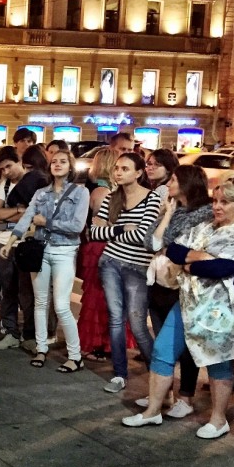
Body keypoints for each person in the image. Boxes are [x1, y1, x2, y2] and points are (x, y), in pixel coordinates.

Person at [123, 180, 234, 437]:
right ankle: (152, 411)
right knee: (162, 350)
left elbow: (220, 269)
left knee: (217, 362)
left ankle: (218, 420)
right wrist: (200, 256)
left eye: (224, 202)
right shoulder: (205, 228)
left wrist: (191, 262)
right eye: (215, 201)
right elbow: (173, 250)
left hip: (220, 310)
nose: (216, 206)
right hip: (188, 301)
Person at [0, 149, 89, 371]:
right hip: (40, 250)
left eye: (63, 162)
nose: (57, 165)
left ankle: (75, 355)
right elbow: (27, 218)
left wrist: (46, 222)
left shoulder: (80, 192)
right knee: (40, 302)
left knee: (60, 305)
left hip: (65, 251)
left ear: (70, 166)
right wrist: (10, 242)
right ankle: (41, 348)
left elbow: (77, 227)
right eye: (54, 162)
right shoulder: (41, 193)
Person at [141, 166, 212, 417]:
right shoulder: (173, 208)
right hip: (161, 281)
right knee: (164, 342)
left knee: (186, 346)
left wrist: (166, 225)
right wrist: (166, 214)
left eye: (173, 179)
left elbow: (172, 244)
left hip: (182, 284)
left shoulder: (202, 213)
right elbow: (151, 241)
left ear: (187, 182)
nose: (168, 183)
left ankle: (185, 397)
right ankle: (164, 393)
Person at [89, 152, 162, 392]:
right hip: (110, 262)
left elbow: (143, 237)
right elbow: (93, 232)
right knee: (115, 320)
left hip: (137, 267)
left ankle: (159, 375)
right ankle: (119, 374)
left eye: (125, 168)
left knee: (138, 323)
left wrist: (111, 229)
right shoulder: (112, 197)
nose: (118, 172)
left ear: (139, 173)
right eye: (117, 168)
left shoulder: (151, 199)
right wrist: (121, 228)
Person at [0, 145, 49, 351]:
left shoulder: (34, 182)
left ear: (19, 162)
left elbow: (35, 214)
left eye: (9, 166)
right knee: (7, 290)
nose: (6, 172)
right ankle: (10, 331)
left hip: (26, 242)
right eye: (2, 169)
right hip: (3, 239)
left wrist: (16, 213)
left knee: (28, 292)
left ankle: (30, 334)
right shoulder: (5, 185)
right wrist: (18, 210)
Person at [77, 147, 126, 362]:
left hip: (101, 246)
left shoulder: (102, 191)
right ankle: (101, 344)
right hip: (103, 246)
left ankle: (101, 343)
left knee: (102, 297)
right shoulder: (104, 192)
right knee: (101, 297)